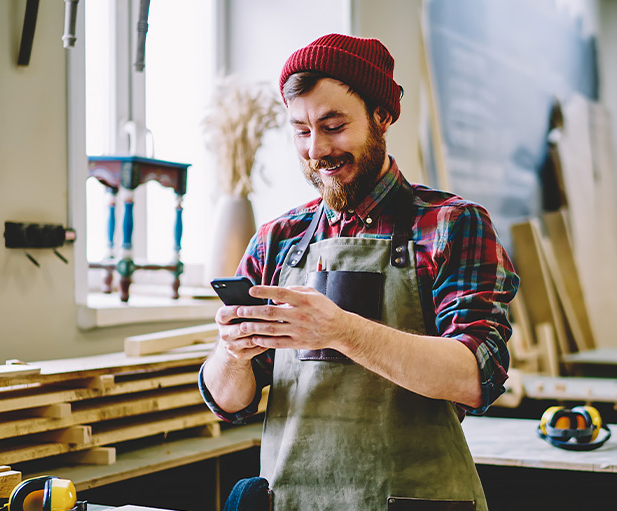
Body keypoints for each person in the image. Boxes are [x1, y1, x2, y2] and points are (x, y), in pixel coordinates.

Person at [200, 33, 519, 511]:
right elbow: (228, 402)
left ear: (382, 116)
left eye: (333, 126)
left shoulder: (453, 224)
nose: (316, 150)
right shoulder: (279, 239)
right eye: (302, 131)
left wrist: (340, 330)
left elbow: (476, 375)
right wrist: (232, 353)